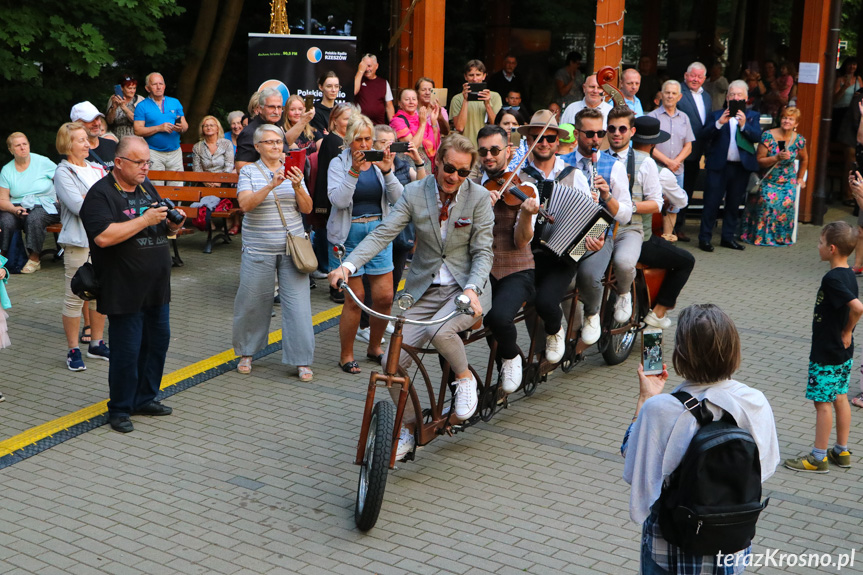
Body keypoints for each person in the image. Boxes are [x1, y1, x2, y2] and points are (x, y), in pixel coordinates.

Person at [328, 134, 493, 456]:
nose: (454, 176)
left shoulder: (479, 197)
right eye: (449, 168)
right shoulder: (416, 193)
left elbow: (484, 252)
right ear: (436, 163)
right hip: (423, 290)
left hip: (466, 287)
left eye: (462, 172)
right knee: (392, 363)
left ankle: (465, 379)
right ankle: (406, 427)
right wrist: (347, 266)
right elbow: (383, 233)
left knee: (440, 330)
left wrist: (473, 290)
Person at [622, 303, 780, 574]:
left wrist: (646, 396)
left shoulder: (660, 408)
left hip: (671, 546)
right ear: (733, 350)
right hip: (731, 542)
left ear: (681, 354)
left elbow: (634, 460)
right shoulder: (754, 401)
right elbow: (764, 467)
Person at [79, 136, 185, 433]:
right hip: (123, 287)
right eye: (139, 162)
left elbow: (160, 226)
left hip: (156, 286)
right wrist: (144, 219)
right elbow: (103, 237)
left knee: (156, 344)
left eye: (148, 162)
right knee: (127, 351)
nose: (145, 168)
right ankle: (120, 408)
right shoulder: (100, 195)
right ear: (119, 162)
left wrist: (173, 224)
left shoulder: (145, 186)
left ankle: (145, 398)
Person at [526, 108, 626, 351]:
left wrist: (595, 239)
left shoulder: (574, 174)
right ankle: (540, 350)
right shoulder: (519, 175)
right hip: (527, 253)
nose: (545, 143)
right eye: (538, 138)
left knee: (580, 280)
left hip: (562, 254)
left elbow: (595, 219)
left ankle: (579, 325)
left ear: (557, 141)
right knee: (524, 300)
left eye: (550, 138)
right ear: (528, 140)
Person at [231, 124, 315, 381]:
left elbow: (308, 209)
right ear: (257, 147)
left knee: (298, 307)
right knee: (253, 303)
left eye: (279, 141)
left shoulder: (294, 170)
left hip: (293, 250)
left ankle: (301, 360)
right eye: (269, 142)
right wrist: (270, 185)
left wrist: (299, 186)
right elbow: (245, 205)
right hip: (258, 249)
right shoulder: (249, 172)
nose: (276, 146)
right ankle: (247, 352)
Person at [326, 113, 403, 374]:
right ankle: (346, 354)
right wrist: (354, 172)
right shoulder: (338, 163)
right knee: (355, 298)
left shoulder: (380, 161)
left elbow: (400, 199)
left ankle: (374, 347)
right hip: (350, 234)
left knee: (384, 297)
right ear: (349, 141)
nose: (363, 144)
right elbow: (339, 201)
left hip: (379, 232)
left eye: (368, 139)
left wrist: (388, 171)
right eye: (358, 139)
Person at [785, 222, 862, 473]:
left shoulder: (832, 278)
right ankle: (842, 451)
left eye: (819, 243)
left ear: (831, 248)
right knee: (840, 397)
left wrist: (847, 330)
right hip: (842, 352)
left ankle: (818, 457)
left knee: (822, 403)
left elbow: (858, 308)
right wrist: (847, 333)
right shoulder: (850, 273)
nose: (817, 247)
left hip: (827, 350)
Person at [475, 125, 538, 393]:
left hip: (517, 269)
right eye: (483, 151)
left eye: (495, 150)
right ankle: (506, 363)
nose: (489, 156)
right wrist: (480, 209)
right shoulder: (474, 188)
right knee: (483, 318)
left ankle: (511, 358)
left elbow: (521, 241)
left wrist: (525, 214)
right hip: (483, 268)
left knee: (500, 317)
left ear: (509, 151)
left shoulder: (526, 187)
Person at [355, 125, 427, 343]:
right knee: (370, 284)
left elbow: (423, 186)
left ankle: (381, 321)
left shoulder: (403, 165)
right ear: (373, 144)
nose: (388, 147)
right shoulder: (370, 166)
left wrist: (418, 159)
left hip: (402, 232)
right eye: (382, 142)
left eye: (392, 142)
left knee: (393, 284)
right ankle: (364, 325)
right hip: (380, 230)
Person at [53, 121, 110, 371]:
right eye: (81, 140)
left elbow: (114, 200)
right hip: (78, 240)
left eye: (87, 139)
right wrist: (99, 200)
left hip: (104, 239)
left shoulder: (98, 169)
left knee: (102, 293)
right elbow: (79, 207)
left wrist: (94, 199)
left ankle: (96, 343)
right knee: (75, 295)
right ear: (68, 144)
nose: (87, 143)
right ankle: (73, 349)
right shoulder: (63, 172)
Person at [698, 80, 762, 252]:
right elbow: (704, 134)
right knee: (711, 203)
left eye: (739, 95)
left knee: (733, 204)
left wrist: (744, 125)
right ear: (727, 98)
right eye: (732, 94)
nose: (735, 97)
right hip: (719, 166)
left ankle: (728, 237)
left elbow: (757, 136)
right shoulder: (716, 114)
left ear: (746, 98)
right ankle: (704, 238)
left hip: (740, 167)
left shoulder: (752, 116)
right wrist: (719, 123)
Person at [741, 106, 808, 247]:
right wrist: (776, 157)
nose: (786, 121)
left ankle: (781, 237)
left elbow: (805, 159)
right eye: (784, 118)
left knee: (788, 201)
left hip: (788, 180)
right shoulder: (768, 135)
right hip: (768, 179)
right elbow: (759, 161)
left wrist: (800, 177)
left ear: (796, 124)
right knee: (767, 201)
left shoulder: (799, 140)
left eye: (791, 119)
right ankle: (761, 236)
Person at [314, 103, 358, 295]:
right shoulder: (332, 141)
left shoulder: (348, 141)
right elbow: (326, 175)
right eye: (346, 119)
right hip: (333, 198)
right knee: (334, 240)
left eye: (352, 119)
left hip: (345, 197)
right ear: (335, 121)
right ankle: (335, 284)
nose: (350, 123)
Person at [0, 132, 59, 274]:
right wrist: (15, 210)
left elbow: (63, 178)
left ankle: (34, 258)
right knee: (6, 220)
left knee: (34, 218)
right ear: (11, 150)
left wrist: (60, 197)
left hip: (45, 204)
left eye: (24, 144)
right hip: (17, 206)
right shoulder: (7, 170)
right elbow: (2, 200)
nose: (22, 148)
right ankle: (5, 259)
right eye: (18, 145)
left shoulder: (42, 162)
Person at [675, 62, 713, 242]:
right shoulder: (678, 93)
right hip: (679, 151)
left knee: (687, 190)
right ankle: (671, 227)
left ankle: (679, 226)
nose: (695, 79)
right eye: (693, 75)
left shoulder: (707, 97)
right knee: (676, 190)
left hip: (697, 152)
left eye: (699, 77)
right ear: (685, 75)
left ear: (704, 79)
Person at [133, 73, 187, 185]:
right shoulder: (142, 106)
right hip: (153, 152)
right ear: (147, 88)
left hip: (175, 151)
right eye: (154, 84)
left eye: (160, 84)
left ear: (164, 86)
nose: (158, 87)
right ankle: (159, 204)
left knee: (177, 187)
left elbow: (185, 126)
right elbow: (137, 130)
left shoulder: (175, 102)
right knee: (156, 187)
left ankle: (175, 204)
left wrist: (181, 127)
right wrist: (159, 128)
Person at [193, 115, 240, 235]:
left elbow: (229, 165)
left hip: (223, 179)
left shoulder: (226, 143)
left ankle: (227, 217)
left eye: (212, 125)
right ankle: (206, 218)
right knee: (199, 189)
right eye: (206, 125)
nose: (209, 127)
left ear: (217, 128)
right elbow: (197, 169)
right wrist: (206, 182)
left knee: (227, 188)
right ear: (202, 129)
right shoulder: (197, 147)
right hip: (205, 181)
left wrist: (219, 181)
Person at [647, 80, 694, 190]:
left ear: (679, 97)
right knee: (655, 206)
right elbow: (648, 146)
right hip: (657, 172)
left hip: (678, 172)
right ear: (662, 95)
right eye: (667, 93)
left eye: (674, 93)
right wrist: (668, 162)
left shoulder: (684, 118)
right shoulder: (652, 117)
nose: (670, 96)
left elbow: (688, 146)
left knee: (676, 206)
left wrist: (675, 163)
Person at [449, 59, 502, 145]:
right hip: (466, 147)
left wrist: (487, 104)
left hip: (488, 147)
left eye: (478, 75)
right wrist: (465, 100)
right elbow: (459, 127)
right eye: (471, 75)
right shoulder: (457, 99)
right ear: (465, 77)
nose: (475, 79)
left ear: (484, 76)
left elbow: (497, 126)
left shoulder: (495, 96)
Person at [235, 88, 286, 171]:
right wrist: (273, 165)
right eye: (271, 107)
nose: (276, 112)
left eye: (279, 107)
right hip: (259, 183)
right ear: (259, 109)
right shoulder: (249, 132)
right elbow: (240, 166)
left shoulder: (277, 127)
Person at [390, 88, 440, 167]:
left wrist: (433, 121)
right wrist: (422, 124)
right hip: (409, 165)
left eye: (414, 99)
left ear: (417, 102)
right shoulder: (397, 121)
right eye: (407, 99)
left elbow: (434, 142)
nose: (411, 102)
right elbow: (413, 146)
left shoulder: (419, 118)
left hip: (427, 165)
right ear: (400, 103)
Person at [70, 101, 118, 167]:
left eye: (97, 118)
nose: (96, 123)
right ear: (76, 123)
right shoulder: (71, 152)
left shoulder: (111, 145)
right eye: (90, 120)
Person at [353, 54, 394, 125]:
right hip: (360, 125)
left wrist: (393, 125)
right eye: (364, 66)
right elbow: (354, 91)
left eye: (369, 66)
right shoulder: (358, 79)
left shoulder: (383, 83)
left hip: (378, 126)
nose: (366, 69)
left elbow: (389, 106)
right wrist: (360, 71)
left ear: (376, 66)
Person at [106, 74, 144, 140]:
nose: (132, 91)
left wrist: (123, 107)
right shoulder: (114, 99)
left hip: (135, 138)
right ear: (122, 88)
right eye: (129, 88)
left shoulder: (140, 100)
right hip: (117, 137)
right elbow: (109, 121)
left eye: (134, 88)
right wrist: (114, 108)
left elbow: (137, 121)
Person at [833, 58, 863, 140]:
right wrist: (844, 87)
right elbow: (834, 99)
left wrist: (858, 95)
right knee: (837, 135)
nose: (852, 66)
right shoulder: (839, 80)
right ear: (845, 66)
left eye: (854, 64)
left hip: (853, 111)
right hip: (840, 111)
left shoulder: (858, 79)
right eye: (849, 64)